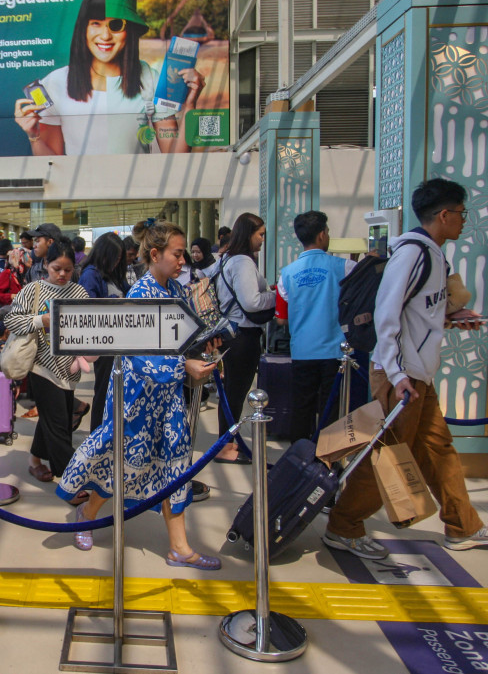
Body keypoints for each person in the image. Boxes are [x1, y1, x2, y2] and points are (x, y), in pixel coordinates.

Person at [324, 179, 488, 559]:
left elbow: (417, 314)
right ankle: (343, 525)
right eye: (460, 213)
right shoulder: (413, 254)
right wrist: (396, 374)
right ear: (443, 215)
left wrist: (453, 318)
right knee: (388, 453)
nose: (462, 221)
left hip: (416, 374)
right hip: (401, 376)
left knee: (438, 448)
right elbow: (386, 317)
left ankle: (463, 525)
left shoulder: (434, 255)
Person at [58, 220, 219, 569]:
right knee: (122, 465)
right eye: (177, 254)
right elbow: (141, 357)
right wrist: (185, 367)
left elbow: (175, 341)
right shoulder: (140, 295)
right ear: (155, 254)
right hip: (136, 401)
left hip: (167, 399)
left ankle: (179, 546)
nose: (182, 261)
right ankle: (87, 514)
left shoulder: (173, 289)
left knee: (174, 467)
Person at [14, 0, 205, 155]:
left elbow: (174, 156)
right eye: (96, 23)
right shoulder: (55, 82)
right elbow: (53, 163)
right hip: (81, 196)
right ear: (84, 29)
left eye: (115, 25)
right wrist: (33, 135)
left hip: (140, 196)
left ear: (129, 30)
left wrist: (190, 106)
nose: (105, 35)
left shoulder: (148, 77)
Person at [4, 237, 90, 490]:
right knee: (59, 425)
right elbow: (12, 321)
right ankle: (70, 479)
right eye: (56, 269)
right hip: (40, 367)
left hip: (70, 370)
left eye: (67, 269)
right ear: (46, 264)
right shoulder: (33, 290)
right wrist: (42, 320)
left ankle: (34, 460)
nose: (62, 274)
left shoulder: (79, 293)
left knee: (53, 419)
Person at [277, 211, 356, 442]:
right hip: (335, 352)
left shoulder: (286, 274)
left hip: (302, 350)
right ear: (322, 235)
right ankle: (328, 459)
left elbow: (281, 317)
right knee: (331, 408)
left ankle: (299, 456)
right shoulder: (345, 267)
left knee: (301, 407)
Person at [211, 213, 275, 465]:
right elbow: (252, 301)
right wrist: (275, 295)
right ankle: (225, 447)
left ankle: (226, 443)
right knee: (235, 394)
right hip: (243, 336)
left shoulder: (226, 259)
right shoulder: (243, 262)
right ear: (248, 234)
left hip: (231, 332)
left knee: (231, 394)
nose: (262, 239)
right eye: (260, 234)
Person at [76, 232, 128, 432]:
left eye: (119, 258)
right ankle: (98, 435)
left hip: (117, 342)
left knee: (113, 390)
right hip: (104, 343)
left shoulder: (111, 274)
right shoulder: (91, 274)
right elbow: (86, 308)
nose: (117, 262)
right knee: (104, 390)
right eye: (114, 257)